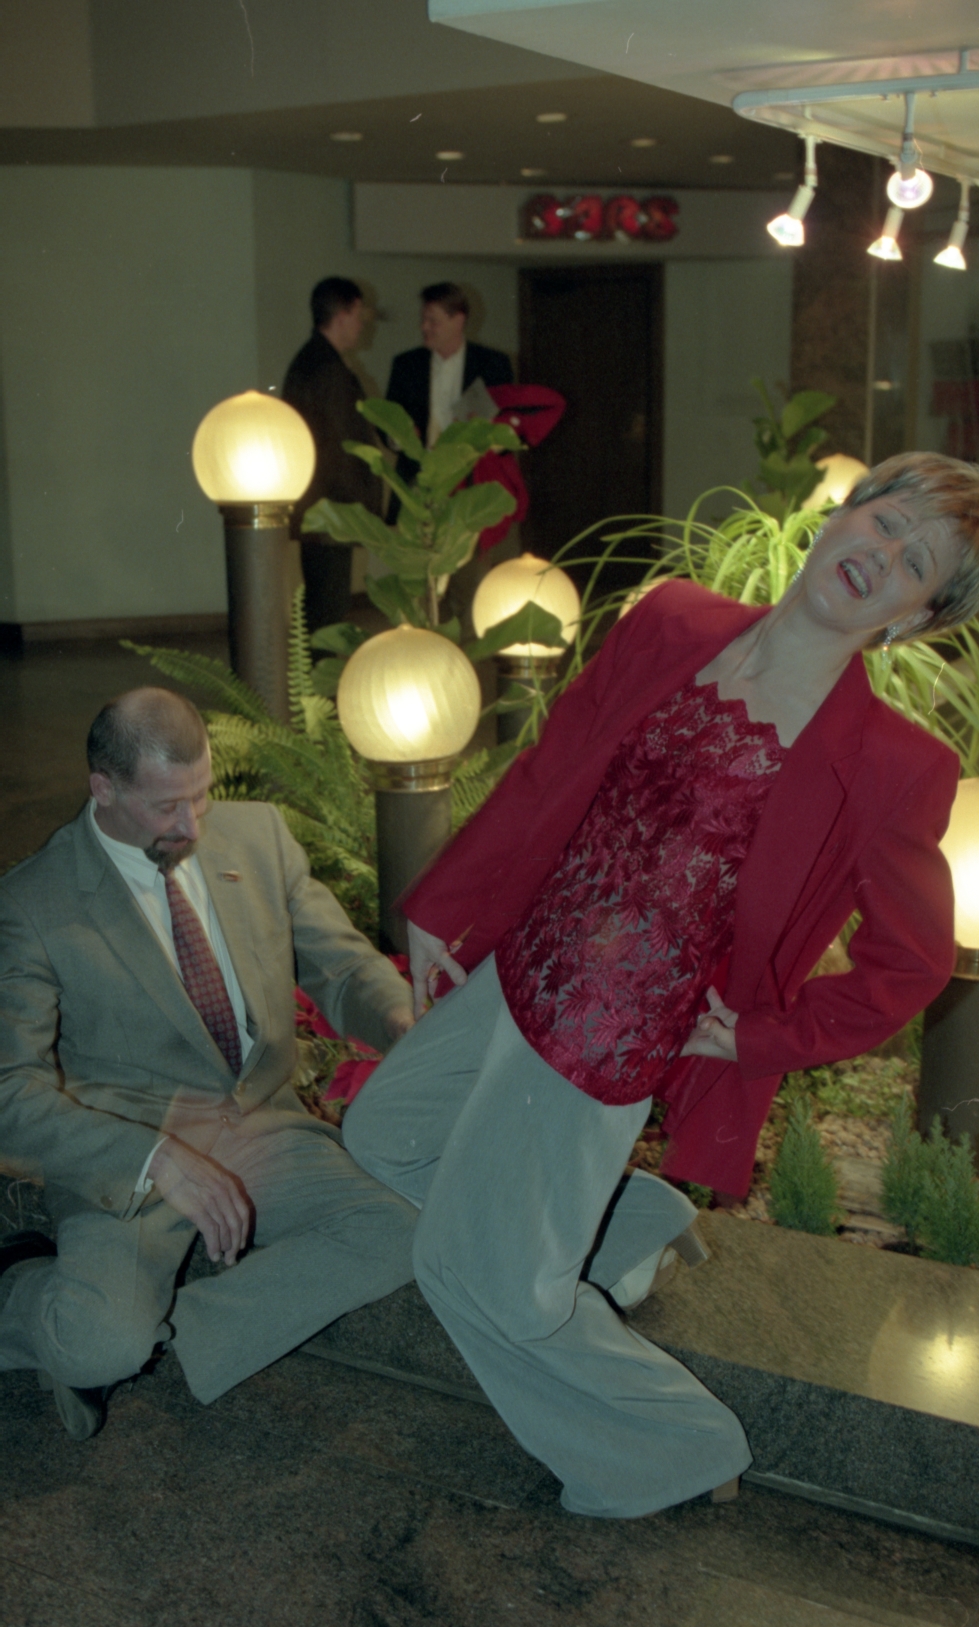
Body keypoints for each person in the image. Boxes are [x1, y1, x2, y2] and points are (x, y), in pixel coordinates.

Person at [342, 452, 979, 1520]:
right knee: (385, 1133)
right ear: (845, 513)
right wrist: (447, 906)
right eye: (885, 521)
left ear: (912, 618)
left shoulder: (892, 764)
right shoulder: (675, 619)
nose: (882, 555)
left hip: (611, 1032)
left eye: (916, 562)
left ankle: (676, 1448)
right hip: (526, 959)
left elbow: (909, 963)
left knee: (478, 1275)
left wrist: (759, 1036)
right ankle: (625, 1224)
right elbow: (553, 765)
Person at [0, 687, 416, 1440]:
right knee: (97, 1344)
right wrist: (153, 1158)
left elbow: (344, 967)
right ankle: (29, 1291)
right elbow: (10, 1091)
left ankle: (172, 1344)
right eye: (167, 807)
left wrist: (400, 1021)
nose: (192, 826)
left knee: (396, 1231)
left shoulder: (259, 837)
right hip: (133, 1153)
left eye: (201, 796)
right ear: (103, 789)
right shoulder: (32, 903)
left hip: (262, 1128)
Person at [282, 276, 381, 634]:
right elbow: (341, 449)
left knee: (322, 606)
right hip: (332, 511)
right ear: (343, 314)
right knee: (328, 609)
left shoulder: (310, 361)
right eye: (358, 314)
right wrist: (359, 512)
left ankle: (314, 670)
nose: (361, 324)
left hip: (318, 508)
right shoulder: (328, 369)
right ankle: (319, 673)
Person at [385, 282, 513, 479]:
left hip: (472, 480)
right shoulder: (406, 365)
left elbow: (507, 427)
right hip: (417, 481)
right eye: (423, 319)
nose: (423, 326)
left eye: (432, 320)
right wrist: (399, 436)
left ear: (458, 321)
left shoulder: (492, 365)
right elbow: (386, 419)